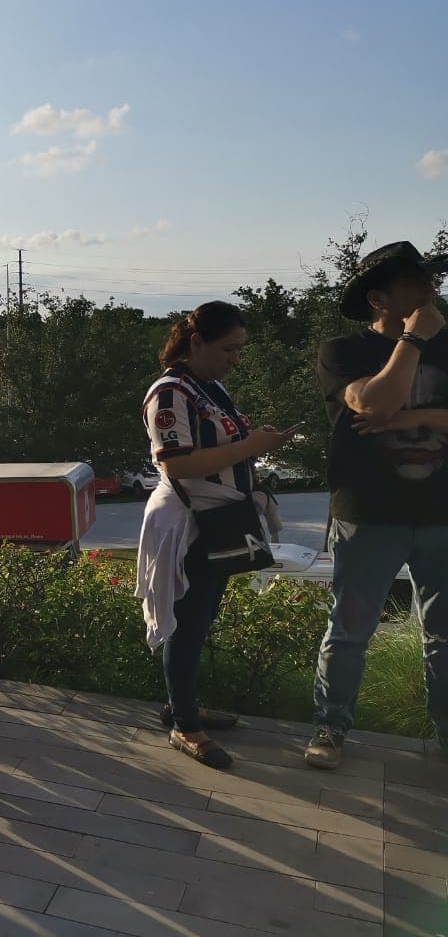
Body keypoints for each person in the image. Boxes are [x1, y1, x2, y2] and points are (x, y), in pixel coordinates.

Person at [307, 241, 448, 769]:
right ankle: (330, 727)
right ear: (378, 298)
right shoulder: (342, 352)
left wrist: (418, 420)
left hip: (443, 515)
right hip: (368, 514)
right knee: (350, 631)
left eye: (431, 280)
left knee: (446, 637)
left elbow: (387, 411)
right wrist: (414, 339)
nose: (431, 291)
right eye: (415, 283)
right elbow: (372, 403)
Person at [135, 302, 293, 769]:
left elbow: (221, 447)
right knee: (187, 623)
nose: (236, 359)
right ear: (197, 342)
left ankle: (182, 704)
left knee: (200, 619)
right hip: (190, 522)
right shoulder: (169, 393)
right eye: (229, 349)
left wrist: (254, 444)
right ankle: (185, 725)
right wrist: (253, 445)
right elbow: (176, 463)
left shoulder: (209, 386)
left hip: (220, 519)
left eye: (240, 350)